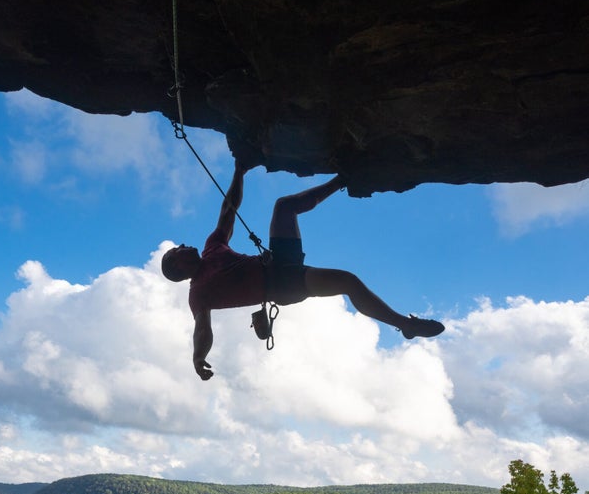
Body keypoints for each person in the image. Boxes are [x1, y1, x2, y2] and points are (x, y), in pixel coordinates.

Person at [161, 163, 445, 380]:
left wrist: (239, 171)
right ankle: (405, 324)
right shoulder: (199, 294)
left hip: (279, 261)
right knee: (348, 281)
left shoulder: (212, 247)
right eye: (178, 250)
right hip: (283, 286)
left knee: (285, 207)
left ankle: (343, 179)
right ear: (178, 266)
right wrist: (198, 358)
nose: (184, 245)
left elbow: (228, 209)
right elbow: (202, 330)